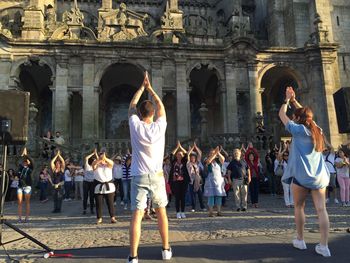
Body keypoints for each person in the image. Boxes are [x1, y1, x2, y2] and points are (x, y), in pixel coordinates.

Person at [279, 86, 331, 257]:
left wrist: (287, 100)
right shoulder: (318, 130)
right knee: (321, 210)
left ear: (298, 119)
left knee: (299, 207)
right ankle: (324, 246)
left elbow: (281, 115)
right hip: (319, 177)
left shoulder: (298, 130)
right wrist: (295, 102)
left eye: (296, 116)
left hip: (302, 177)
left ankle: (300, 240)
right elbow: (307, 117)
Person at [127, 72, 171, 263]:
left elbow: (131, 106)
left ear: (140, 114)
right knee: (161, 213)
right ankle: (166, 249)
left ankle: (133, 256)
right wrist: (150, 88)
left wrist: (141, 88)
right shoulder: (160, 126)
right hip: (157, 175)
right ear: (152, 114)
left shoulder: (135, 124)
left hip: (139, 175)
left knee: (137, 216)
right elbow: (161, 106)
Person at [92, 151, 117, 224]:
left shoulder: (109, 165)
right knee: (98, 203)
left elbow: (111, 162)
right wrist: (99, 160)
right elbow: (93, 165)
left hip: (109, 186)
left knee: (110, 203)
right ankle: (99, 218)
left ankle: (112, 217)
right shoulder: (96, 165)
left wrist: (104, 158)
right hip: (99, 186)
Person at [204, 146, 226, 217]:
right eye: (211, 153)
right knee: (211, 196)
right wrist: (214, 154)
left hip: (218, 181)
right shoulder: (207, 160)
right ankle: (210, 212)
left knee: (219, 196)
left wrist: (218, 153)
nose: (212, 154)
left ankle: (219, 211)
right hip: (211, 181)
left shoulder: (218, 161)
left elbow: (223, 159)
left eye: (213, 153)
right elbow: (208, 161)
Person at [169, 141, 189, 219]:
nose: (179, 155)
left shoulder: (184, 162)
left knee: (183, 197)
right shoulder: (173, 162)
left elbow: (187, 154)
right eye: (178, 154)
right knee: (177, 198)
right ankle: (177, 212)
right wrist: (177, 148)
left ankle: (183, 212)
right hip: (175, 182)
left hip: (183, 182)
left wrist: (181, 147)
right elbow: (171, 155)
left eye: (180, 155)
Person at [186, 143, 205, 212]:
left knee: (200, 194)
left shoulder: (197, 163)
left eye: (193, 158)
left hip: (197, 180)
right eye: (191, 158)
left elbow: (200, 153)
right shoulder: (188, 164)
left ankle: (202, 207)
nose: (192, 159)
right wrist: (191, 150)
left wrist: (195, 147)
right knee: (193, 195)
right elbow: (188, 154)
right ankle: (193, 207)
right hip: (192, 181)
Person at [17, 149, 33, 222]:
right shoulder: (20, 168)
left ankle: (27, 217)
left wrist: (26, 155)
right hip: (20, 186)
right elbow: (18, 161)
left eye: (26, 162)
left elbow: (32, 162)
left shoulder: (30, 168)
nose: (25, 163)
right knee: (20, 202)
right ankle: (20, 218)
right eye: (24, 162)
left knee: (27, 202)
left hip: (27, 186)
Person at [83, 150, 98, 215]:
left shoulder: (96, 167)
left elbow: (98, 160)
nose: (95, 162)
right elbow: (86, 158)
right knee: (85, 196)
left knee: (92, 196)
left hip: (92, 182)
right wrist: (93, 153)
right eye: (94, 161)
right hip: (86, 182)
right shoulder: (87, 166)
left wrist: (96, 154)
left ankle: (92, 209)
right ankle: (84, 209)